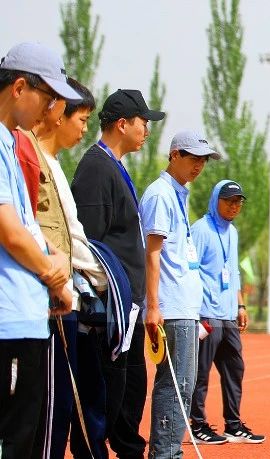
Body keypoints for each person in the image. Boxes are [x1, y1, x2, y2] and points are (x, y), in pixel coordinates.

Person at [71, 88, 165, 459]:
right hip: (107, 311)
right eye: (144, 122)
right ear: (122, 124)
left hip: (127, 307)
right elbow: (89, 243)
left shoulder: (115, 166)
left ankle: (127, 450)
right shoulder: (96, 168)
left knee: (129, 391)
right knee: (104, 398)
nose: (148, 131)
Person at [0, 40, 79, 459]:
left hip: (26, 318)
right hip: (8, 321)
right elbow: (10, 232)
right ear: (19, 88)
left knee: (26, 440)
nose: (51, 110)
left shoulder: (12, 144)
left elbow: (27, 223)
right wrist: (52, 272)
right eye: (47, 98)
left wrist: (57, 259)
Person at [26, 76, 107, 458]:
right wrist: (104, 278)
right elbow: (35, 230)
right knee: (49, 412)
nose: (85, 129)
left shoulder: (54, 164)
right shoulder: (28, 155)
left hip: (65, 297)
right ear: (57, 111)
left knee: (62, 406)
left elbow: (71, 236)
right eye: (82, 119)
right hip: (48, 299)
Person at [142, 130, 221, 457]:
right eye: (192, 158)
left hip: (184, 307)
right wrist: (153, 306)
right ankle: (166, 454)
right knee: (176, 388)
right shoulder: (160, 195)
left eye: (203, 160)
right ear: (174, 155)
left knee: (182, 388)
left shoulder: (177, 194)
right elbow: (152, 253)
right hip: (171, 308)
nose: (198, 165)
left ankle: (169, 452)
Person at [189, 180, 266, 444]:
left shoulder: (232, 232)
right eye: (229, 201)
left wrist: (240, 305)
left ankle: (233, 425)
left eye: (238, 202)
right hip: (205, 314)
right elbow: (189, 269)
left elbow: (233, 273)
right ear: (215, 201)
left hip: (228, 314)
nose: (234, 206)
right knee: (200, 372)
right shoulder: (200, 230)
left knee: (235, 368)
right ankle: (198, 425)